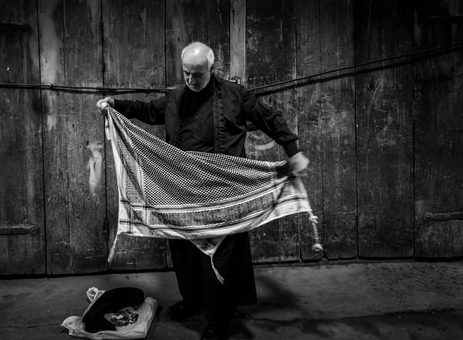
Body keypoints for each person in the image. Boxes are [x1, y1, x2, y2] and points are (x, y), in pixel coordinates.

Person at [96, 41, 308, 340]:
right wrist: (116, 104)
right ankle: (194, 301)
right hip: (182, 190)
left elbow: (269, 118)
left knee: (219, 256)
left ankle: (220, 316)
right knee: (183, 250)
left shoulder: (236, 95)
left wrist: (293, 150)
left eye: (197, 75)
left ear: (212, 68)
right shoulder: (176, 97)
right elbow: (147, 110)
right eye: (186, 74)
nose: (191, 81)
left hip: (223, 191)